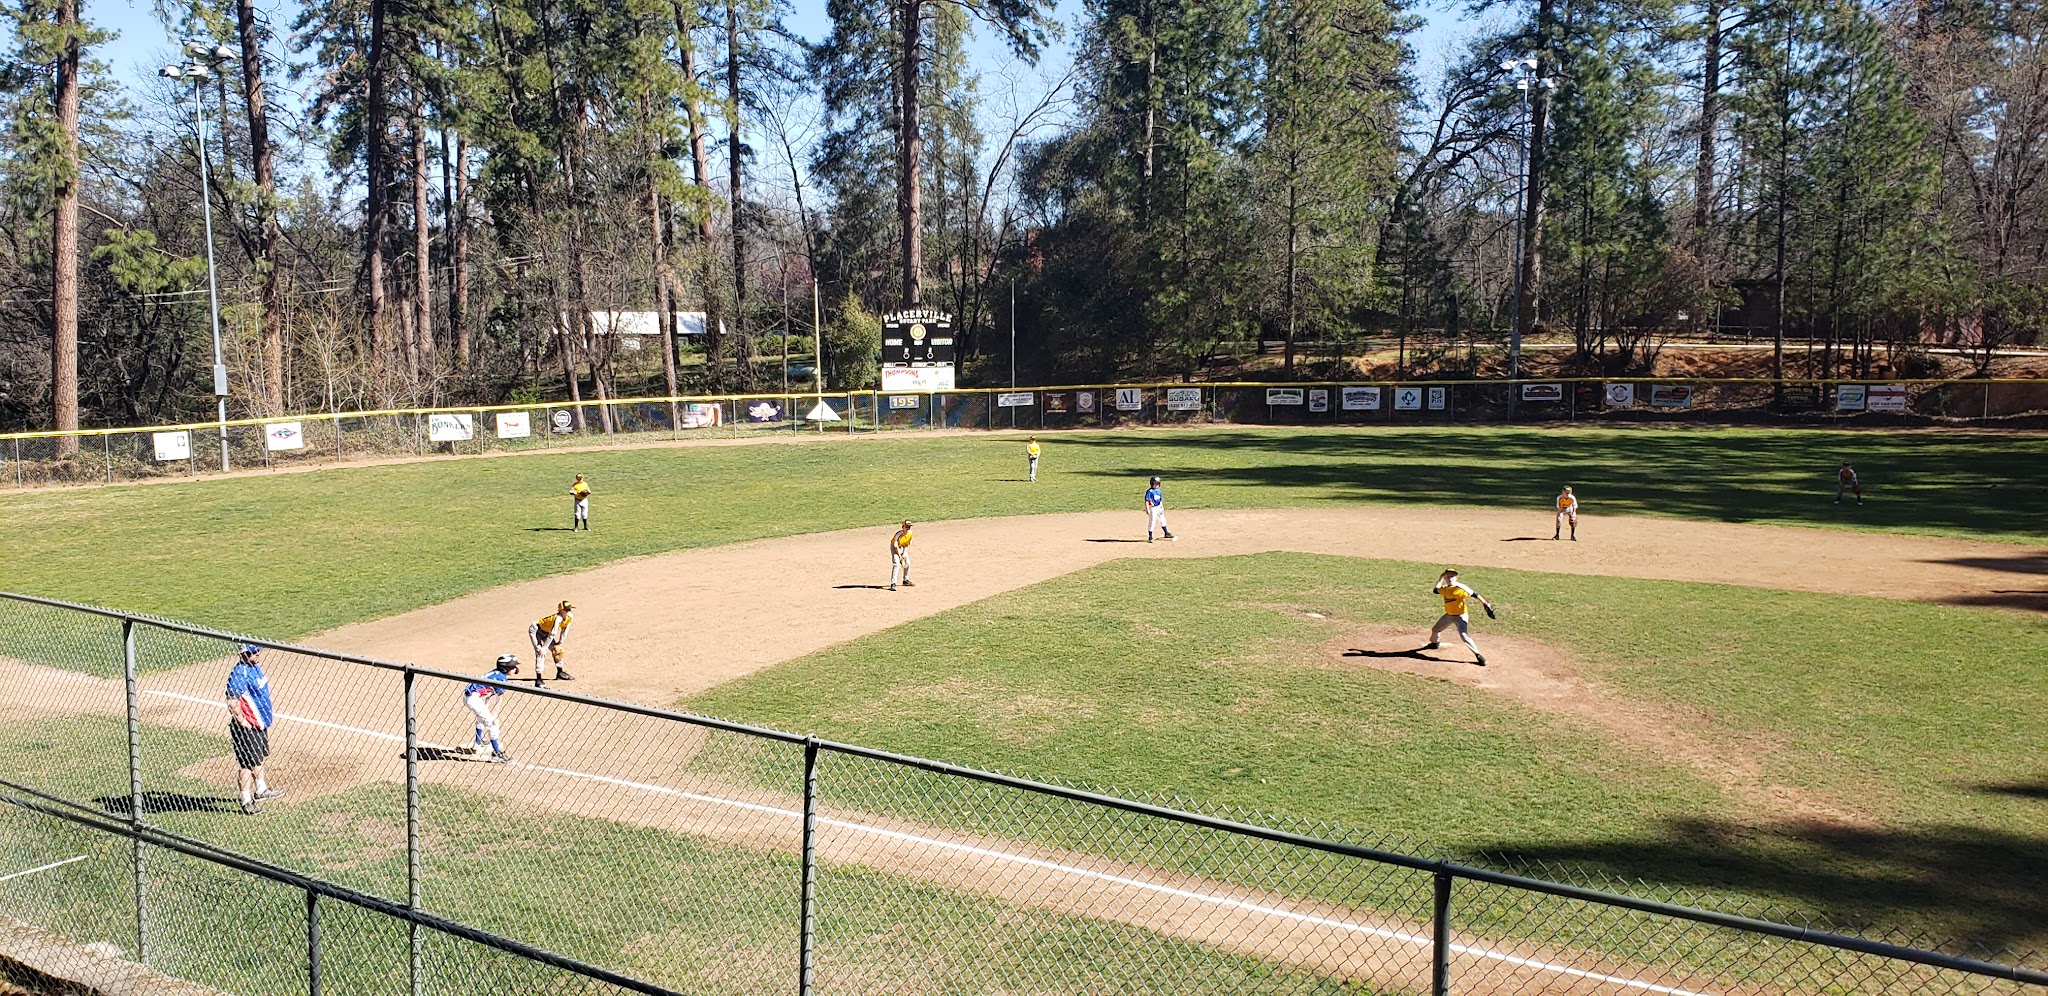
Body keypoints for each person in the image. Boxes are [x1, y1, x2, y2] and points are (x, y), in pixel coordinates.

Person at [225, 644, 286, 815]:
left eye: (259, 650)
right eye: (253, 651)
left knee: (257, 759)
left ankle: (261, 790)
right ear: (244, 653)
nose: (258, 653)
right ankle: (246, 801)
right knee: (246, 764)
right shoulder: (239, 673)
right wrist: (243, 722)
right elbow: (232, 702)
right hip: (247, 728)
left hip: (258, 724)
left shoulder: (254, 667)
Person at [1427, 569, 1495, 667]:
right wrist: (1440, 578)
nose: (1450, 578)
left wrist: (1485, 603)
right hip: (1449, 615)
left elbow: (1474, 594)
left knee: (1463, 635)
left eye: (1452, 576)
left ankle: (1478, 655)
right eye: (1448, 576)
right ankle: (1435, 643)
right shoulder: (1445, 589)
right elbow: (1435, 590)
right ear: (1445, 578)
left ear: (1456, 578)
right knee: (1435, 629)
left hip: (1461, 616)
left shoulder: (1460, 588)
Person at [459, 655, 519, 763]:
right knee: (492, 724)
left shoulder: (495, 673)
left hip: (472, 696)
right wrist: (494, 716)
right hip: (473, 698)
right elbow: (499, 699)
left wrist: (487, 709)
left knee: (481, 717)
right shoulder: (501, 678)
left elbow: (487, 694)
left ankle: (478, 742)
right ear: (505, 668)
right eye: (513, 666)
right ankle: (496, 753)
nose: (515, 669)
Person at [528, 601, 575, 685]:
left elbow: (565, 631)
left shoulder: (570, 617)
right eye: (566, 610)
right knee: (540, 653)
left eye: (569, 609)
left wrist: (560, 643)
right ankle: (539, 680)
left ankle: (560, 672)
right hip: (536, 630)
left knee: (557, 650)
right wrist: (543, 648)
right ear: (561, 611)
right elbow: (553, 633)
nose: (568, 611)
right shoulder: (558, 618)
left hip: (547, 632)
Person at [1144, 476, 1175, 543]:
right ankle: (1150, 536)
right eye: (1155, 483)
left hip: (1158, 507)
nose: (1157, 485)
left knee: (1163, 520)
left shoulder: (1158, 491)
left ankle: (1166, 533)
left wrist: (1162, 506)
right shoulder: (1149, 491)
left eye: (1158, 483)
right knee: (1152, 521)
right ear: (1152, 483)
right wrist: (1147, 509)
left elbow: (1160, 500)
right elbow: (1146, 500)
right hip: (1153, 508)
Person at [888, 520, 915, 591]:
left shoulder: (910, 534)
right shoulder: (898, 534)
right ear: (903, 527)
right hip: (894, 548)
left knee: (908, 563)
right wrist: (900, 558)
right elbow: (896, 546)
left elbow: (906, 545)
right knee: (896, 564)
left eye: (909, 526)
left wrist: (903, 554)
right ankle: (893, 583)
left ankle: (905, 580)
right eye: (907, 526)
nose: (908, 528)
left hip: (902, 547)